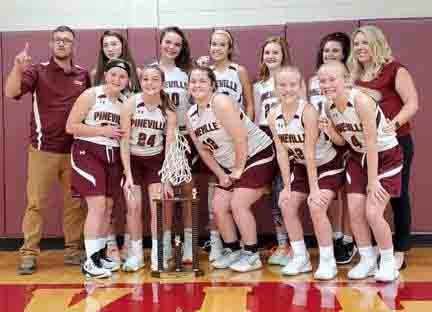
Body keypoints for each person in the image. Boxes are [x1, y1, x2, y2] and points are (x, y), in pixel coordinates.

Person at [4, 25, 89, 275]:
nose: (62, 44)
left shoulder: (83, 75)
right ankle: (29, 253)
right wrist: (17, 67)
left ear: (74, 46)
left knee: (74, 204)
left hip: (74, 150)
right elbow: (10, 92)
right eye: (58, 40)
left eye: (67, 40)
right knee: (36, 204)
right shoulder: (36, 71)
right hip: (43, 150)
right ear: (51, 45)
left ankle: (73, 250)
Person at [319, 61, 403, 282]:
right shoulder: (328, 107)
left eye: (331, 79)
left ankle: (387, 262)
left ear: (345, 80)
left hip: (384, 156)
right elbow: (341, 141)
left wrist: (373, 180)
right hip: (358, 157)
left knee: (373, 212)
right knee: (355, 211)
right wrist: (328, 130)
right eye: (322, 81)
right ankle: (366, 259)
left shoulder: (361, 101)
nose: (326, 84)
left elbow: (372, 142)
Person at [186, 66, 274, 273]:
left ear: (212, 85)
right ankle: (233, 250)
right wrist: (221, 174)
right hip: (230, 164)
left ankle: (252, 254)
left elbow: (240, 137)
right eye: (193, 81)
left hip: (256, 154)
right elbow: (203, 150)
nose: (197, 85)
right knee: (218, 206)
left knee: (238, 203)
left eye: (202, 81)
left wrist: (238, 170)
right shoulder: (190, 114)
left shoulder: (220, 102)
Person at [349, 25, 418, 270]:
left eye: (364, 42)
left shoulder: (394, 70)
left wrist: (394, 123)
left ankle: (399, 250)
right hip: (366, 148)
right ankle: (376, 250)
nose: (359, 48)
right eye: (356, 43)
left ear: (377, 44)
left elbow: (412, 103)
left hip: (396, 141)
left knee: (398, 197)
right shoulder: (353, 76)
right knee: (369, 200)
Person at [268, 66, 345, 280]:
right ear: (275, 88)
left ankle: (328, 261)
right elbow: (282, 153)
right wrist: (286, 187)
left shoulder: (308, 111)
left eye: (293, 84)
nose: (287, 89)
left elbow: (310, 153)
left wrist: (314, 190)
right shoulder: (273, 114)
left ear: (301, 87)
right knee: (286, 202)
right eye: (282, 85)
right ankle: (300, 257)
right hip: (302, 166)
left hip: (327, 164)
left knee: (316, 204)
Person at [66, 59, 131, 278]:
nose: (117, 79)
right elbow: (70, 126)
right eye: (113, 74)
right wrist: (102, 131)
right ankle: (90, 261)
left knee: (108, 207)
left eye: (122, 76)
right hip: (88, 151)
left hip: (113, 156)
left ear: (127, 81)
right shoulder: (91, 94)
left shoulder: (126, 102)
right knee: (98, 205)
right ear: (105, 75)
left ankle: (100, 254)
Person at [120, 64, 176, 272]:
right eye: (145, 79)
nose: (149, 83)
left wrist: (167, 176)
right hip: (133, 160)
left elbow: (170, 144)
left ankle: (157, 254)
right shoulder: (131, 103)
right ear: (140, 82)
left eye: (155, 79)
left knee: (157, 209)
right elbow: (124, 142)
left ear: (162, 83)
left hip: (156, 160)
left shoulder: (168, 109)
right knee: (133, 207)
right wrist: (127, 174)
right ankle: (136, 255)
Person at [91, 30, 141, 263]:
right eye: (106, 45)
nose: (111, 48)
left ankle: (131, 245)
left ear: (123, 47)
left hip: (131, 144)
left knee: (131, 198)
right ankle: (109, 244)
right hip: (104, 144)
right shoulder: (95, 75)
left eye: (115, 44)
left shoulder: (136, 74)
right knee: (107, 197)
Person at [309, 32, 357, 265]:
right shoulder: (313, 80)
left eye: (335, 50)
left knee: (349, 192)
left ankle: (348, 239)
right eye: (326, 50)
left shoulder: (349, 80)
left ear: (345, 54)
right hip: (323, 141)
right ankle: (335, 235)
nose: (329, 54)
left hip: (346, 136)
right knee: (331, 194)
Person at [156, 26, 195, 263]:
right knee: (166, 193)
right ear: (161, 43)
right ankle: (167, 243)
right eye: (168, 42)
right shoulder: (150, 71)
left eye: (177, 44)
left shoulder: (186, 74)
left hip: (182, 137)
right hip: (159, 137)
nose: (171, 47)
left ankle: (189, 244)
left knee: (188, 191)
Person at [253, 36, 293, 266]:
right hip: (264, 137)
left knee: (283, 190)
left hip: (285, 135)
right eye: (267, 52)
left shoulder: (291, 81)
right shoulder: (259, 85)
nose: (270, 56)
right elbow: (257, 116)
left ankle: (290, 245)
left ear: (283, 55)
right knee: (272, 194)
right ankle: (281, 242)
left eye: (275, 52)